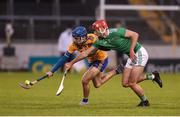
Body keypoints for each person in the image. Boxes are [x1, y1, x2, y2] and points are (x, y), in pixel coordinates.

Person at [65, 20, 163, 107]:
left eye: (96, 30)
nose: (94, 33)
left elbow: (135, 35)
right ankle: (153, 76)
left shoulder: (117, 31)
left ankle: (145, 102)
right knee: (125, 83)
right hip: (131, 56)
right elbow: (86, 53)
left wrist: (132, 50)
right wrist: (71, 63)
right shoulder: (100, 42)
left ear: (102, 29)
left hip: (139, 53)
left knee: (132, 82)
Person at [46, 26, 119, 105]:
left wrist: (71, 63)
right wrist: (52, 71)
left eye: (77, 38)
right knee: (98, 84)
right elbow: (64, 58)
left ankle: (85, 101)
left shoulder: (93, 38)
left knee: (85, 80)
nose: (75, 40)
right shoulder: (74, 45)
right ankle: (117, 70)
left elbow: (84, 54)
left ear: (84, 37)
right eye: (74, 38)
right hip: (92, 61)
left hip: (101, 60)